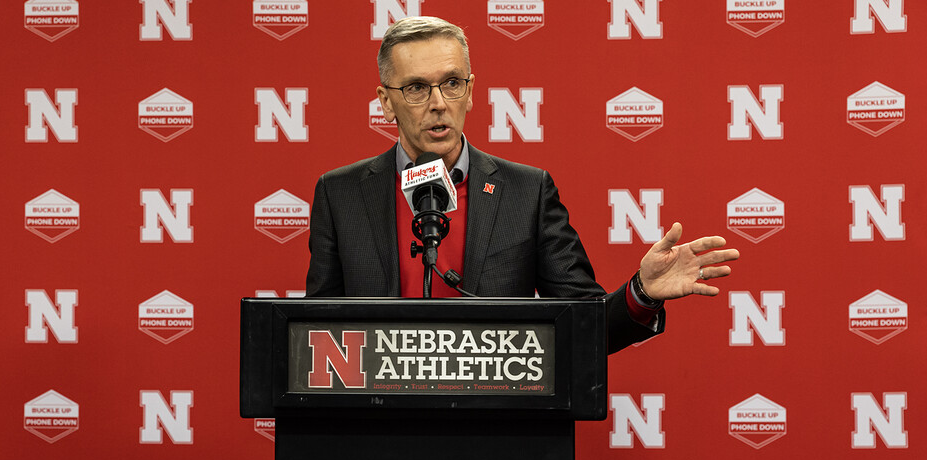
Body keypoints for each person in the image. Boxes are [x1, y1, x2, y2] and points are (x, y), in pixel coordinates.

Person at [305, 16, 739, 353]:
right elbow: (314, 340)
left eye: (452, 83)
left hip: (498, 437)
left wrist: (641, 293)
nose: (438, 103)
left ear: (471, 92)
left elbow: (582, 324)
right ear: (385, 102)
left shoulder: (527, 193)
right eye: (417, 88)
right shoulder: (340, 195)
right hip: (379, 437)